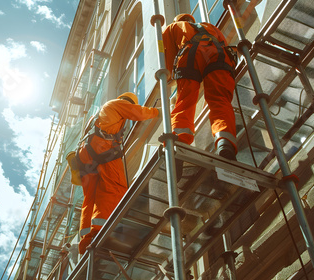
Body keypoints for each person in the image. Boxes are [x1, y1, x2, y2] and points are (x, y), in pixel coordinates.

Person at [70, 92, 159, 255]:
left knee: (90, 198)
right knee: (114, 187)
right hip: (102, 150)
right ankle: (99, 231)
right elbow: (138, 113)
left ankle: (85, 241)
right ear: (128, 101)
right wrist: (158, 111)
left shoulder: (98, 114)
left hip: (85, 157)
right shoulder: (118, 104)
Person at [162, 13, 238, 161]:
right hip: (217, 53)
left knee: (185, 102)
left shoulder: (172, 27)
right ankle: (225, 142)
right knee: (220, 99)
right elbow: (224, 43)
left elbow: (169, 57)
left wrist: (170, 76)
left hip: (189, 54)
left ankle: (179, 142)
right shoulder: (210, 27)